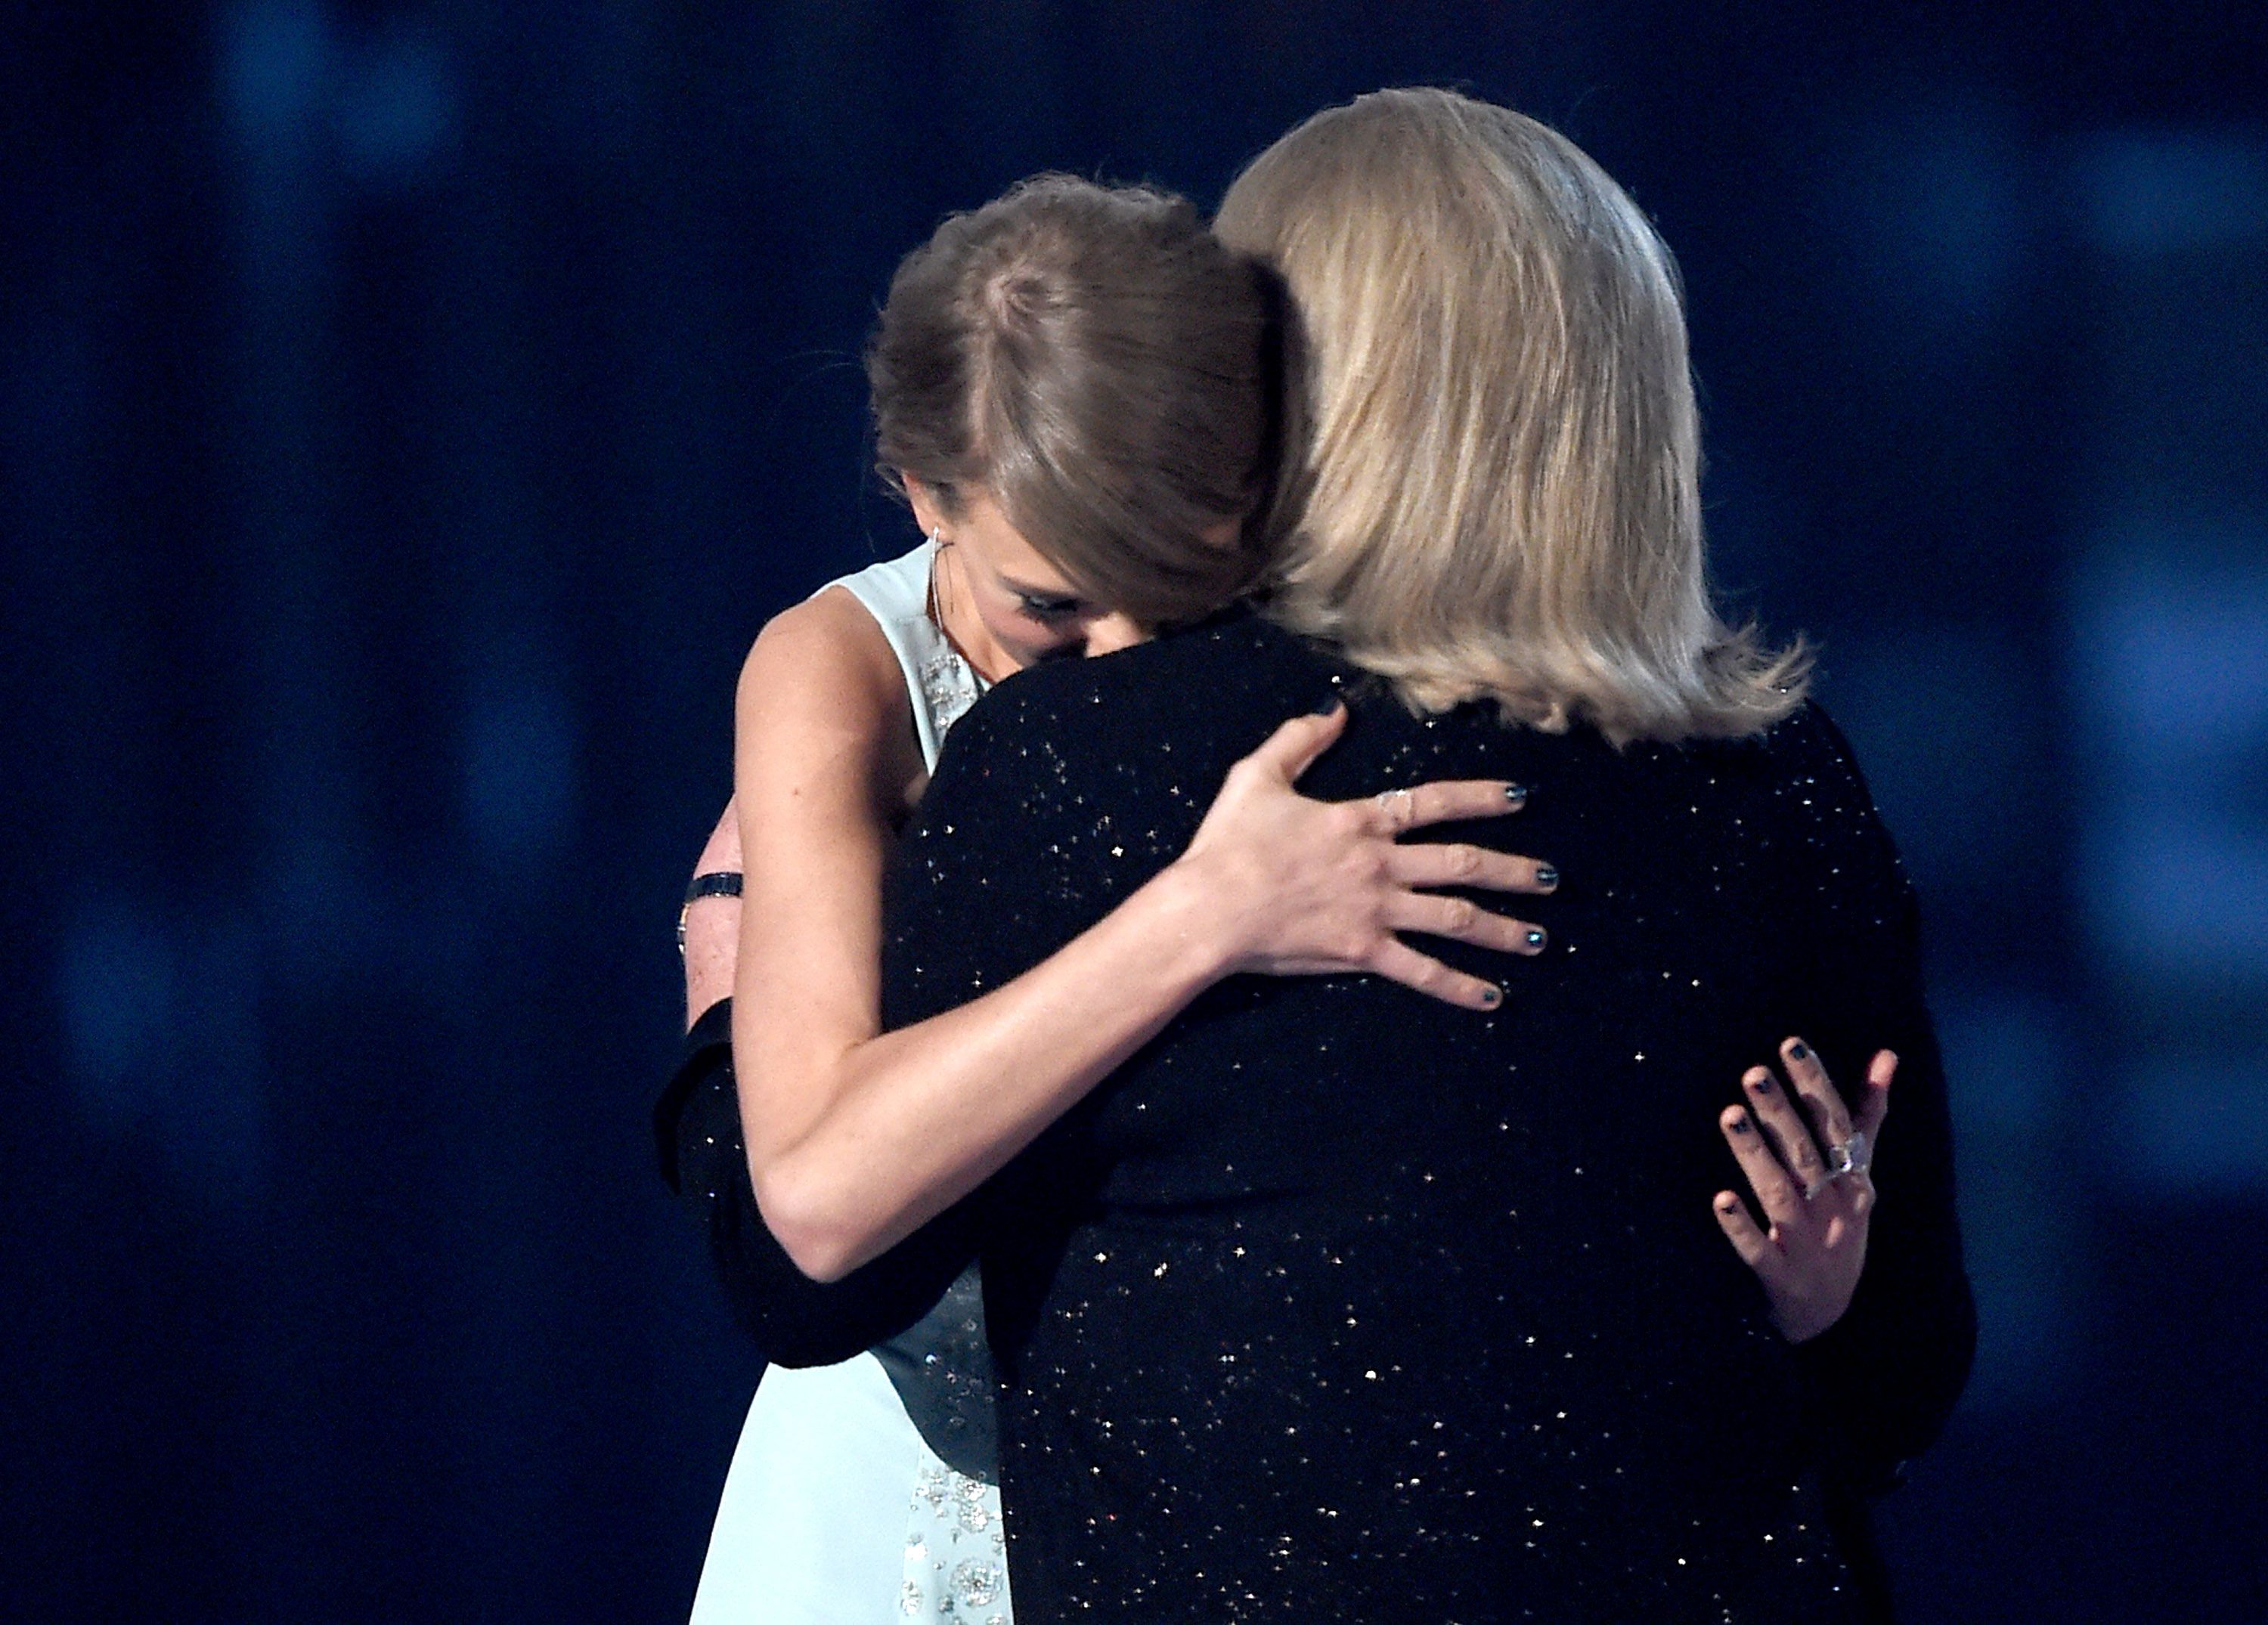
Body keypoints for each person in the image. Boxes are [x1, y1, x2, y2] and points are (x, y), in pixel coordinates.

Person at [790, 89, 1970, 1620]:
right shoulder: (1777, 780)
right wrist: (1821, 1313)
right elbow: (1901, 1383)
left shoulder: (1079, 756)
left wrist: (724, 989)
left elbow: (825, 1267)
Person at [660, 172, 1557, 1625]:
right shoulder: (834, 671)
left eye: (1175, 585)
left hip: (1229, 1481)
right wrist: (1211, 913)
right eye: (1056, 606)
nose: (1126, 651)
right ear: (922, 489)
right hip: (906, 1502)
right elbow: (818, 1199)